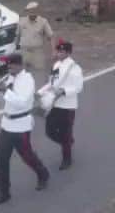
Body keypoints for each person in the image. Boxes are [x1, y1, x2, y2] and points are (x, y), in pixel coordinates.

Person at [0, 54, 49, 206]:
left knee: (27, 156)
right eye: (7, 66)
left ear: (20, 65)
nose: (9, 68)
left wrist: (6, 91)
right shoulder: (9, 78)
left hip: (21, 125)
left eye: (11, 65)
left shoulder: (27, 80)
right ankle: (4, 192)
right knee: (2, 160)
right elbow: (0, 101)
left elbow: (22, 102)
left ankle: (42, 173)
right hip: (6, 125)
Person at [39, 40, 83, 170]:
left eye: (62, 51)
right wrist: (40, 92)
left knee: (65, 133)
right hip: (53, 104)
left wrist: (64, 91)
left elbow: (78, 87)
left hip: (67, 106)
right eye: (58, 51)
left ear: (68, 53)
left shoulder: (75, 68)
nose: (59, 53)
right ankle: (68, 142)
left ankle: (67, 158)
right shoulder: (56, 65)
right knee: (49, 131)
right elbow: (51, 83)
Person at [17, 2, 55, 79]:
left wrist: (54, 51)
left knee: (39, 72)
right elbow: (18, 35)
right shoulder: (21, 21)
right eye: (29, 11)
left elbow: (51, 37)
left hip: (37, 51)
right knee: (24, 73)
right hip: (25, 51)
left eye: (33, 11)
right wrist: (16, 48)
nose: (31, 13)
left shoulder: (43, 22)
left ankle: (39, 88)